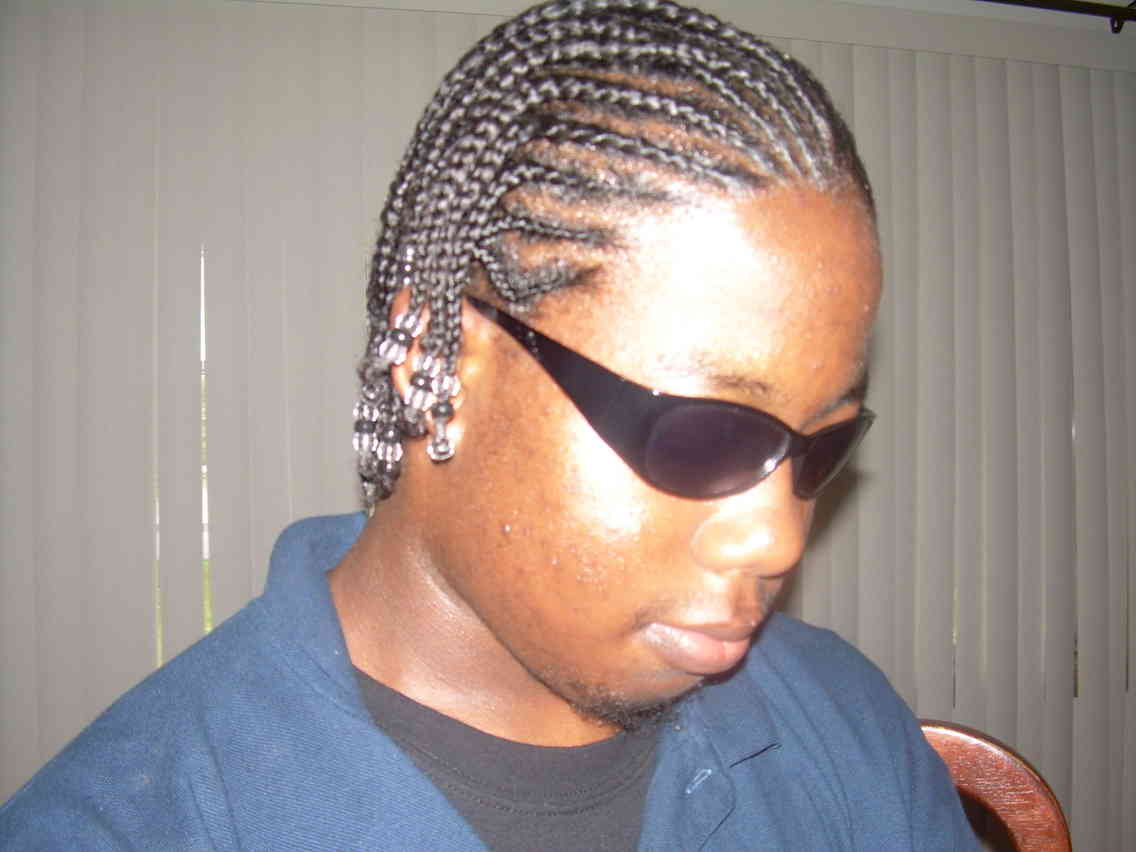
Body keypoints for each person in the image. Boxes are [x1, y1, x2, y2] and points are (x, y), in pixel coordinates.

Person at [1, 1, 977, 848]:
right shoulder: (136, 823)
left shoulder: (842, 725)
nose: (777, 539)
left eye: (818, 448)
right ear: (433, 360)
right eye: (705, 433)